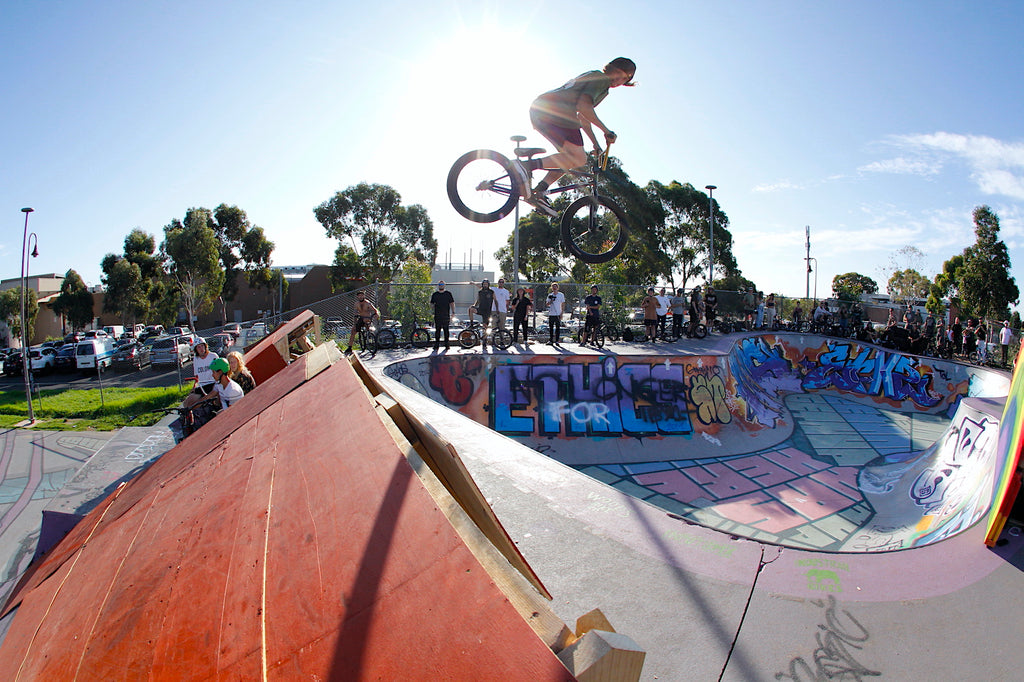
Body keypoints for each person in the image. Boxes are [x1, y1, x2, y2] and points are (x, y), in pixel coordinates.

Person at [510, 58, 637, 217]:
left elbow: (583, 117)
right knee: (578, 158)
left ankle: (540, 191)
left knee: (568, 159)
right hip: (555, 112)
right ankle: (525, 166)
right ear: (610, 68)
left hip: (545, 110)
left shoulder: (598, 81)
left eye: (625, 78)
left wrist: (595, 144)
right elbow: (583, 107)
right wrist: (606, 130)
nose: (619, 80)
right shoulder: (601, 79)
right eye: (618, 74)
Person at [183, 337, 219, 409]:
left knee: (200, 403)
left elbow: (219, 372)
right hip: (202, 386)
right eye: (198, 347)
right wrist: (194, 386)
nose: (201, 348)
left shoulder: (213, 356)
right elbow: (197, 376)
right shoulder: (196, 359)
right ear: (196, 349)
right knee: (186, 403)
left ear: (205, 346)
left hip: (213, 384)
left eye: (202, 346)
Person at [429, 280, 455, 351]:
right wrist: (432, 307)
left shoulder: (448, 294)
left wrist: (453, 312)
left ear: (444, 285)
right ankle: (436, 344)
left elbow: (452, 303)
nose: (441, 285)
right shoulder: (435, 294)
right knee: (437, 330)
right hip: (437, 315)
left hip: (446, 315)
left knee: (446, 330)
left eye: (442, 284)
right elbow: (431, 304)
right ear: (438, 285)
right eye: (440, 284)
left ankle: (447, 344)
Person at [473, 279, 496, 347]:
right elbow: (478, 300)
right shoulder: (480, 292)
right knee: (470, 309)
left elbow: (495, 300)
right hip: (481, 309)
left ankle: (484, 341)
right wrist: (474, 305)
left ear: (488, 285)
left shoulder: (491, 292)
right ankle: (471, 323)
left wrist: (497, 309)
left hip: (488, 311)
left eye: (486, 284)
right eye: (484, 284)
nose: (485, 285)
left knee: (485, 326)